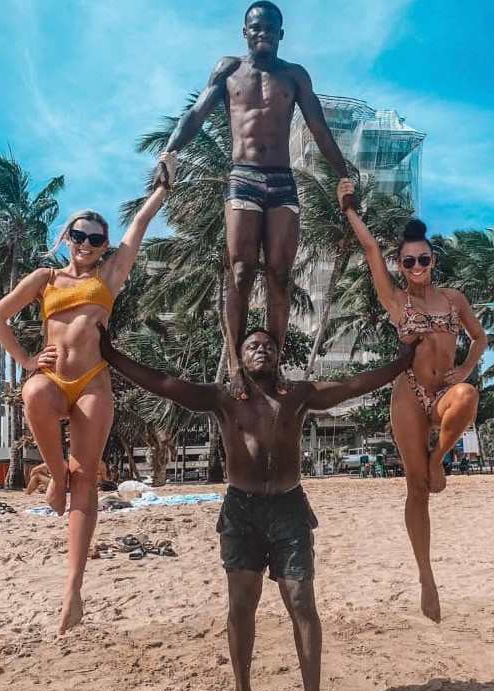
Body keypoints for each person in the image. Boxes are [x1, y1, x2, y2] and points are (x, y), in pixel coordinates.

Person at [98, 323, 417, 691]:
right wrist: (110, 355)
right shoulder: (222, 397)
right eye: (252, 345)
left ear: (279, 356)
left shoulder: (298, 395)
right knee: (241, 606)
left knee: (301, 602)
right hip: (241, 511)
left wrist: (404, 360)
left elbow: (355, 384)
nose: (261, 349)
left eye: (268, 345)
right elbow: (162, 383)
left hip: (289, 509)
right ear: (239, 356)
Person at [0, 152, 177, 635]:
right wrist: (28, 360)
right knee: (33, 397)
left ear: (104, 244)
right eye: (80, 235)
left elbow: (139, 227)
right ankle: (53, 475)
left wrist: (161, 190)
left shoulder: (108, 276)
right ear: (66, 238)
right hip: (53, 377)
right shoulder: (45, 278)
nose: (88, 243)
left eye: (97, 237)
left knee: (86, 479)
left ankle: (73, 590)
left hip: (92, 382)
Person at [162, 1, 352, 399]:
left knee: (280, 275)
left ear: (281, 34)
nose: (262, 32)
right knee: (241, 271)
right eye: (255, 27)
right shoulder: (228, 70)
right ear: (244, 32)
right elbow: (196, 114)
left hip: (282, 180)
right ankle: (235, 363)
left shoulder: (294, 76)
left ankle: (275, 365)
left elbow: (318, 127)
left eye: (270, 27)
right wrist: (170, 151)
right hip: (243, 177)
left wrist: (344, 173)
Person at [336, 179, 488, 623]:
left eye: (423, 258)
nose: (417, 265)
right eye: (408, 260)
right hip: (408, 393)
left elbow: (479, 338)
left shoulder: (454, 299)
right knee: (416, 490)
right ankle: (426, 575)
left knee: (468, 395)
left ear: (432, 260)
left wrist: (465, 368)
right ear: (400, 266)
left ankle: (439, 454)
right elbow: (368, 251)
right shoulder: (395, 299)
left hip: (443, 392)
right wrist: (348, 208)